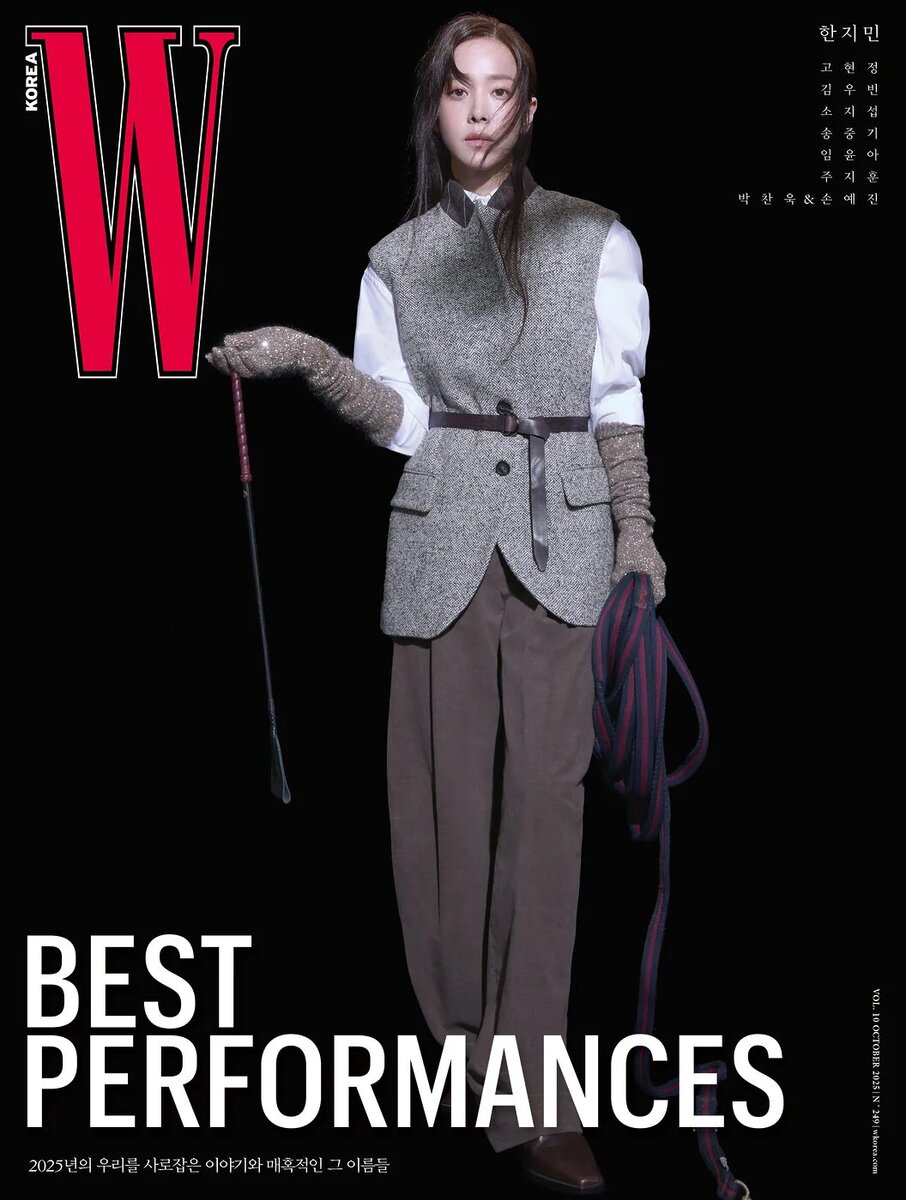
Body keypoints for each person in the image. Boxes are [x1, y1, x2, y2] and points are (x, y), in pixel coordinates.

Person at [207, 13, 665, 1194]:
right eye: (460, 89)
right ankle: (463, 1053)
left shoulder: (596, 238)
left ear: (529, 110)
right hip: (442, 537)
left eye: (501, 90)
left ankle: (531, 1093)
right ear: (438, 106)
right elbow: (405, 418)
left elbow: (616, 406)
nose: (480, 109)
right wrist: (312, 360)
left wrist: (638, 534)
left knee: (548, 817)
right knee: (438, 814)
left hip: (566, 539)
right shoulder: (397, 260)